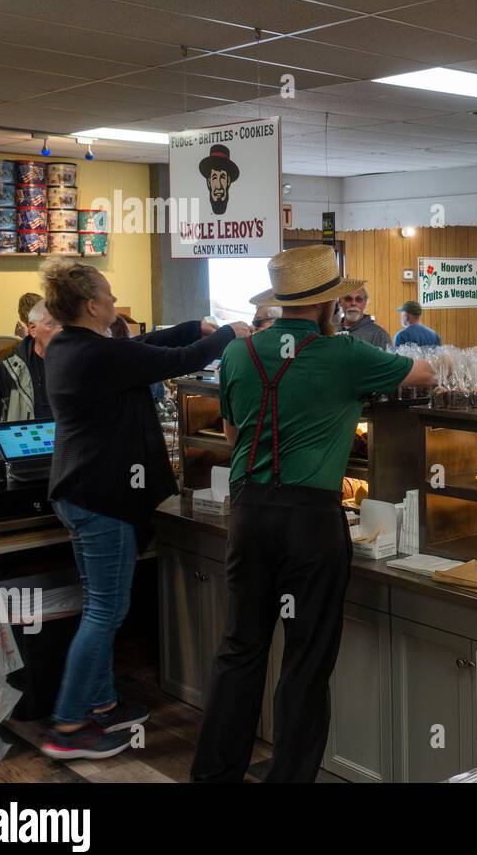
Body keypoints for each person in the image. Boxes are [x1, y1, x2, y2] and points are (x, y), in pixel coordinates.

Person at [192, 246, 435, 783]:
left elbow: (233, 436)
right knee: (306, 659)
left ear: (278, 304)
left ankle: (213, 777)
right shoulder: (345, 354)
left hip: (250, 513)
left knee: (240, 649)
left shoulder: (239, 355)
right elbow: (421, 372)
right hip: (311, 521)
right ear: (329, 303)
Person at [38, 259, 250, 760]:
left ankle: (102, 701)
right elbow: (169, 361)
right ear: (92, 305)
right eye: (109, 295)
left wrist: (193, 325)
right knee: (105, 611)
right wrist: (226, 335)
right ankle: (68, 726)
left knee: (99, 606)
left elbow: (142, 349)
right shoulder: (95, 355)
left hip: (80, 493)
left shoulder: (73, 346)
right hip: (99, 497)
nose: (114, 301)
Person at [0, 300, 60, 444]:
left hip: (62, 452)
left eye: (63, 324)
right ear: (32, 329)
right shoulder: (8, 366)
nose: (59, 330)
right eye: (51, 324)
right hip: (23, 452)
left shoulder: (71, 364)